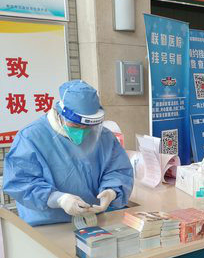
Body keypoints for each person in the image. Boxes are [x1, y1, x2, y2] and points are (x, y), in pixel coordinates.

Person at [4, 80, 134, 226]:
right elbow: (21, 181)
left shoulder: (103, 136)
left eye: (88, 126)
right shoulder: (31, 137)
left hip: (92, 220)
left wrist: (111, 191)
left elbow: (117, 170)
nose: (82, 130)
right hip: (47, 225)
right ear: (60, 113)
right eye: (76, 125)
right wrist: (59, 199)